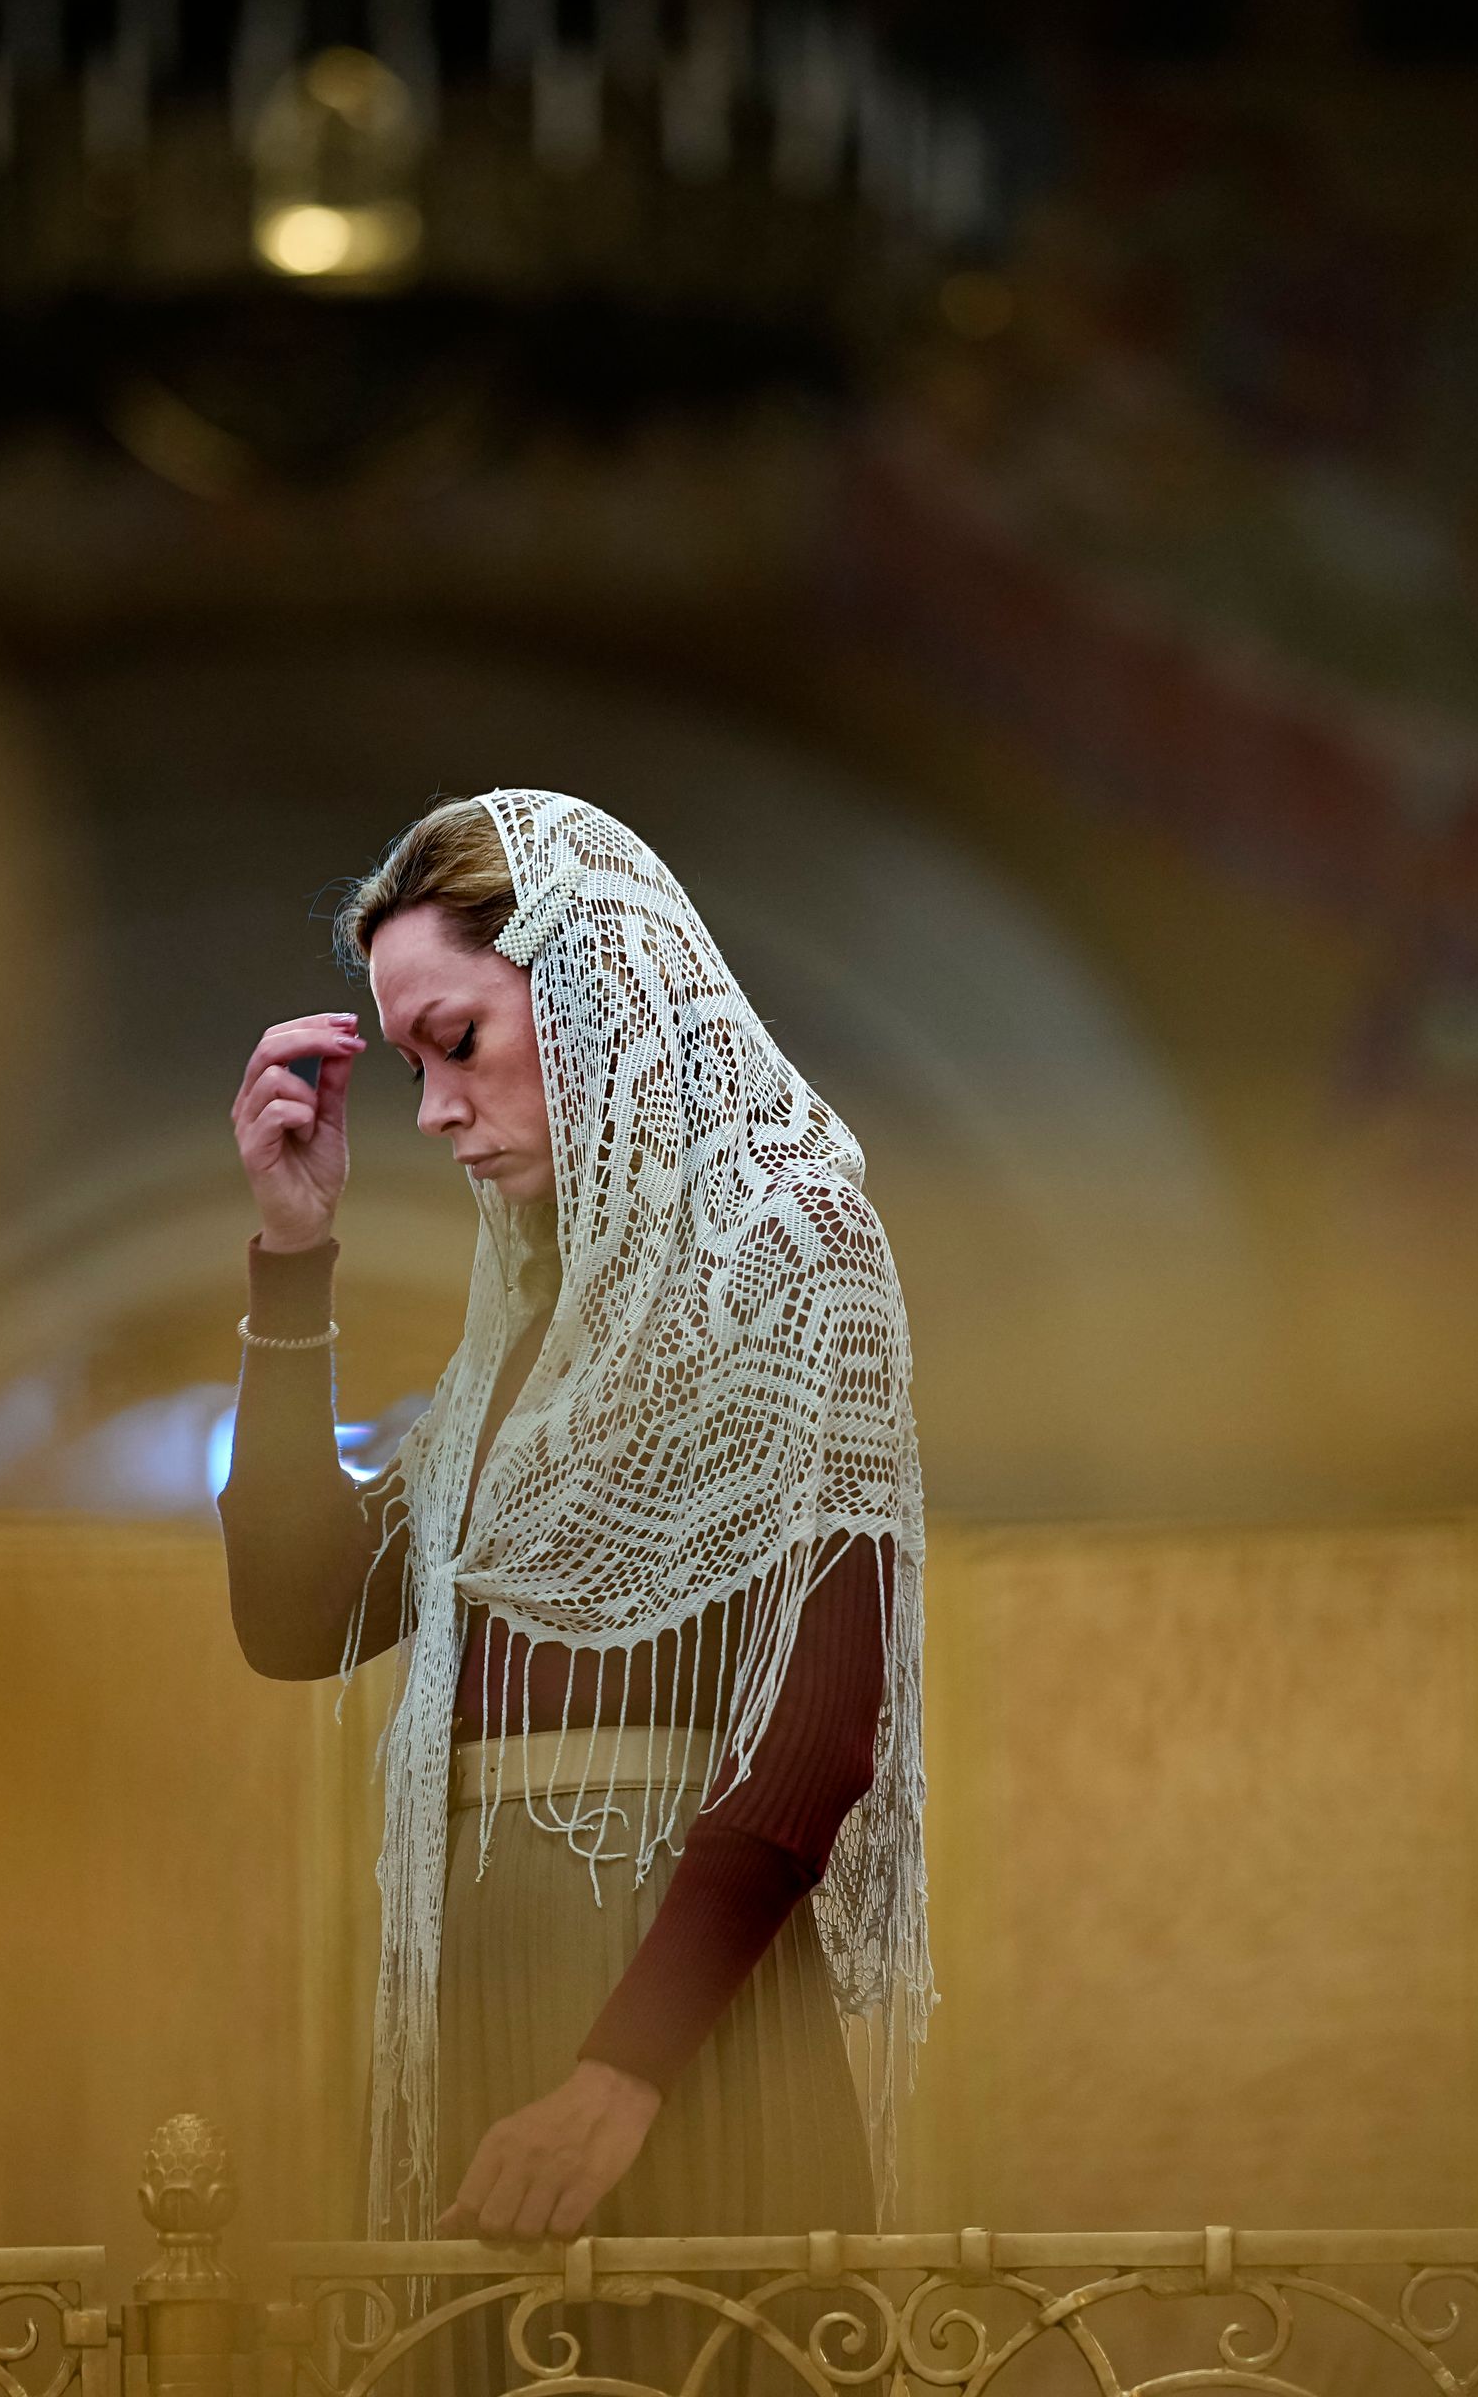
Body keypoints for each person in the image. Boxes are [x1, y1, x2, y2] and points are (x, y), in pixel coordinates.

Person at [219, 791, 923, 2246]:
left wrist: (621, 2075)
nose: (433, 1114)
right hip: (482, 2003)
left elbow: (817, 1717)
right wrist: (294, 1258)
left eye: (457, 1043)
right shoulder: (516, 1336)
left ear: (593, 988)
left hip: (682, 2030)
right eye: (408, 1065)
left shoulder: (794, 1248)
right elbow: (299, 1620)